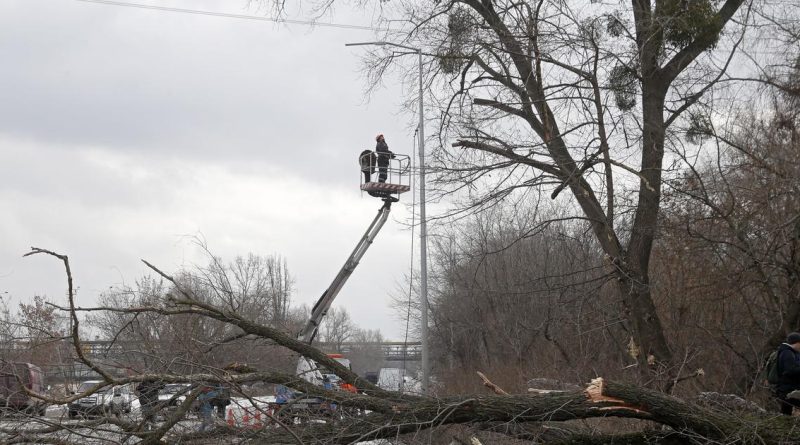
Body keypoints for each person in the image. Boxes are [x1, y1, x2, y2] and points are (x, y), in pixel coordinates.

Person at [773, 332, 800, 415]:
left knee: (786, 412)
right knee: (786, 410)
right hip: (788, 389)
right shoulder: (787, 353)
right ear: (797, 343)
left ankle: (783, 425)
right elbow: (790, 370)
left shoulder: (787, 352)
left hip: (786, 389)